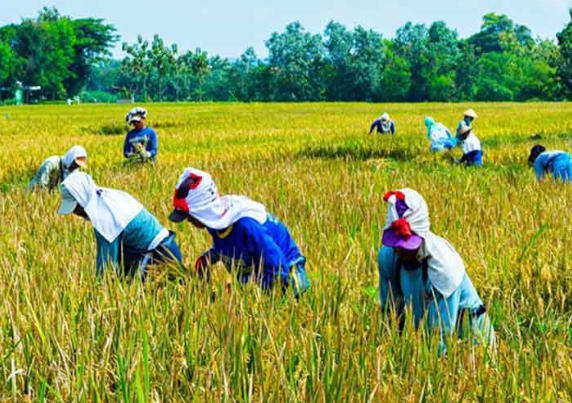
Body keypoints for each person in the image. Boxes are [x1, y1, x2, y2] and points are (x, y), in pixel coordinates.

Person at [378, 189, 494, 354]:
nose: (400, 251)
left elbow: (439, 341)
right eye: (396, 245)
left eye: (407, 246)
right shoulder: (388, 258)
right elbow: (390, 312)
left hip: (470, 345)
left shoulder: (444, 269)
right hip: (423, 340)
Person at [168, 167, 309, 298]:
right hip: (255, 272)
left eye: (191, 216)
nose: (189, 221)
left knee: (287, 296)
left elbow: (277, 267)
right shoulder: (215, 224)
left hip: (286, 272)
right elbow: (229, 246)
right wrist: (208, 258)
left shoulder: (248, 227)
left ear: (203, 210)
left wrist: (255, 295)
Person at [58, 171, 183, 280]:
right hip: (169, 248)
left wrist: (96, 292)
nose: (75, 213)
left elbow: (106, 269)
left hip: (158, 259)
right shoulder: (108, 196)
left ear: (83, 199)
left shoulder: (103, 218)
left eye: (76, 207)